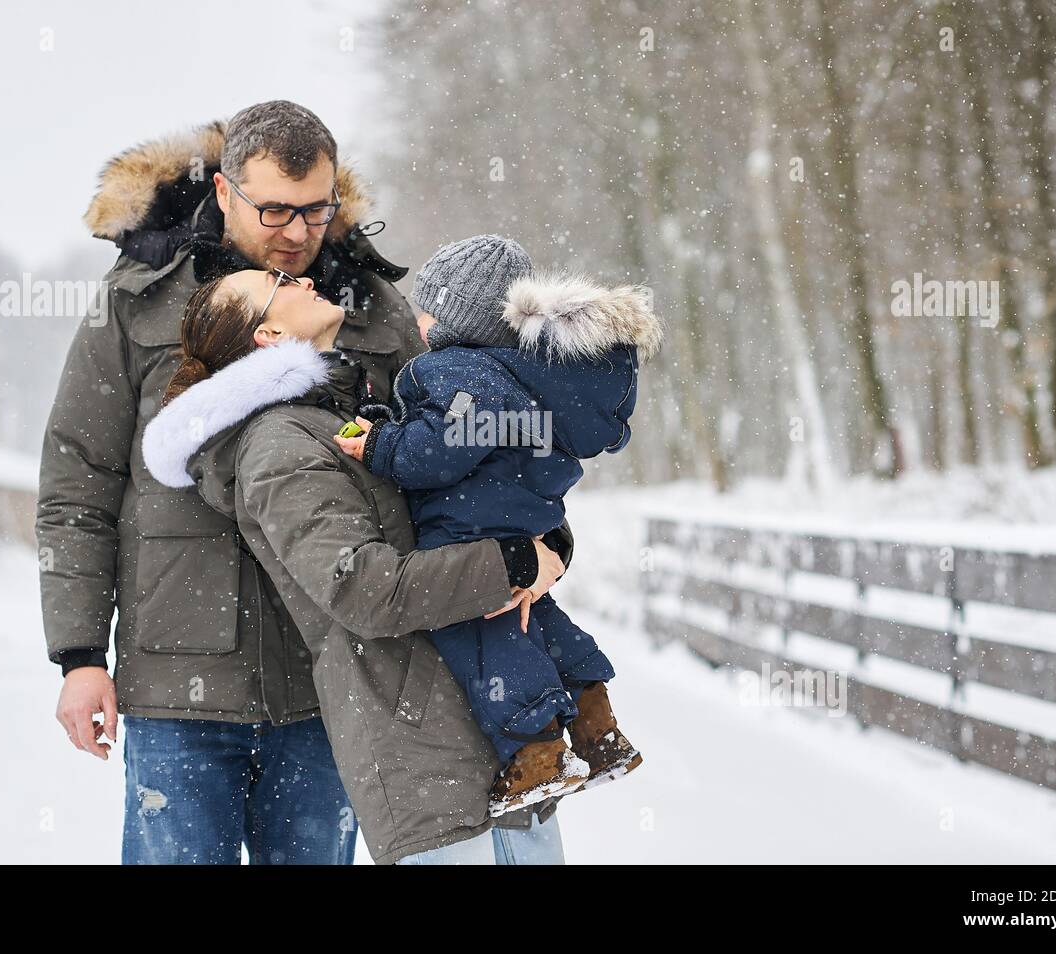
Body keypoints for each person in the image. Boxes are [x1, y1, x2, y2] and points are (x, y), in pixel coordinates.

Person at [37, 102, 570, 863]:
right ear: (224, 192)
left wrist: (533, 530)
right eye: (275, 210)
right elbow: (76, 483)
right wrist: (81, 655)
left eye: (316, 210)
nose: (296, 231)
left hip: (334, 683)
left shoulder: (370, 308)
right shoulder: (137, 298)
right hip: (179, 679)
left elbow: (450, 452)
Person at [140, 265, 567, 863]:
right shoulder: (279, 442)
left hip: (493, 720)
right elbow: (363, 589)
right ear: (266, 334)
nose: (301, 278)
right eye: (278, 282)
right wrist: (515, 563)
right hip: (422, 743)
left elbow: (463, 507)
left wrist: (547, 544)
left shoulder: (349, 410)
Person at [335, 235, 662, 815]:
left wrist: (380, 442)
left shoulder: (458, 372)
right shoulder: (523, 376)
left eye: (428, 307)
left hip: (470, 529)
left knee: (483, 633)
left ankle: (534, 752)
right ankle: (597, 725)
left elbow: (435, 452)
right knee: (540, 619)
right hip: (520, 519)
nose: (417, 318)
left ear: (459, 317)